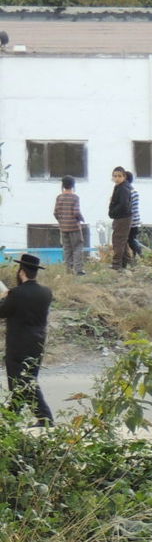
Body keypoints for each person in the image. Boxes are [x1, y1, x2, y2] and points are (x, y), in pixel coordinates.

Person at [0, 253, 54, 423]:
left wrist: (4, 297)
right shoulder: (46, 292)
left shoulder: (16, 293)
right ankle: (11, 419)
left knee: (21, 382)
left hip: (18, 345)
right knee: (26, 380)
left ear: (22, 272)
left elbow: (3, 312)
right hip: (37, 343)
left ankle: (45, 417)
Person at [53, 176, 86, 275]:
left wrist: (61, 221)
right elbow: (76, 212)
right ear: (73, 185)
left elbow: (55, 212)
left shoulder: (59, 197)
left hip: (63, 228)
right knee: (77, 247)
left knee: (67, 248)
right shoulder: (75, 197)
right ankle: (78, 270)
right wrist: (81, 218)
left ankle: (69, 270)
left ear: (62, 185)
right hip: (74, 227)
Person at [107, 166, 134, 269]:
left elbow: (123, 205)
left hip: (123, 217)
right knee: (122, 240)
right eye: (115, 176)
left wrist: (113, 212)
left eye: (119, 176)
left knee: (118, 240)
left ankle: (116, 264)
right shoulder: (119, 187)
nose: (117, 178)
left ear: (124, 176)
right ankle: (128, 262)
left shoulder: (123, 188)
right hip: (120, 217)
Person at [124, 170, 145, 257]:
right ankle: (134, 257)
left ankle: (140, 253)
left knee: (129, 240)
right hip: (136, 220)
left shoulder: (128, 192)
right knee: (132, 239)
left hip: (130, 220)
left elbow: (127, 207)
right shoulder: (134, 191)